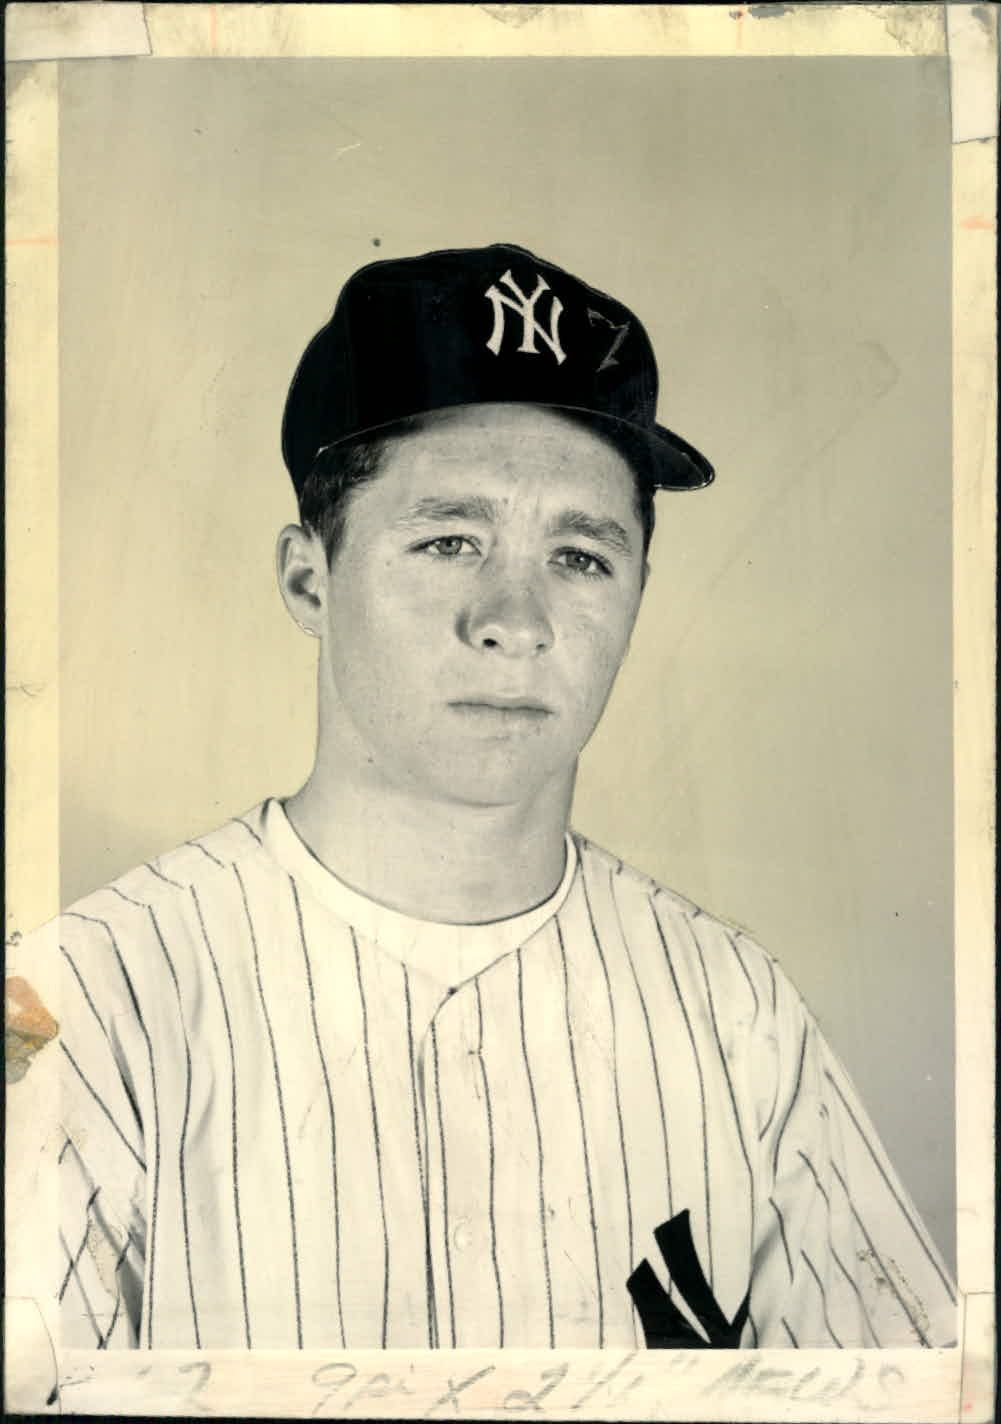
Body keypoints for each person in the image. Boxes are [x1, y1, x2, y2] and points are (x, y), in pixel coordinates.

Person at [40, 243, 955, 1350]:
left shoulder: (734, 1010)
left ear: (635, 597)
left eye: (579, 556)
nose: (512, 618)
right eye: (446, 540)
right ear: (307, 577)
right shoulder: (90, 1001)